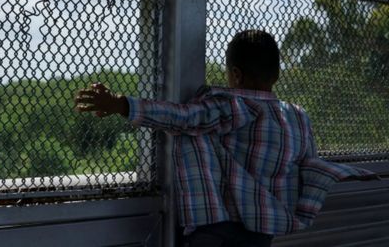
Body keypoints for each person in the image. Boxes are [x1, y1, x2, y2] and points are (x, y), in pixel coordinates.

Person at [74, 29, 377, 247]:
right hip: (261, 231)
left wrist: (121, 104)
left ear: (236, 74)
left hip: (216, 228)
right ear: (277, 75)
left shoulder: (230, 105)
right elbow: (307, 165)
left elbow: (182, 117)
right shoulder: (297, 117)